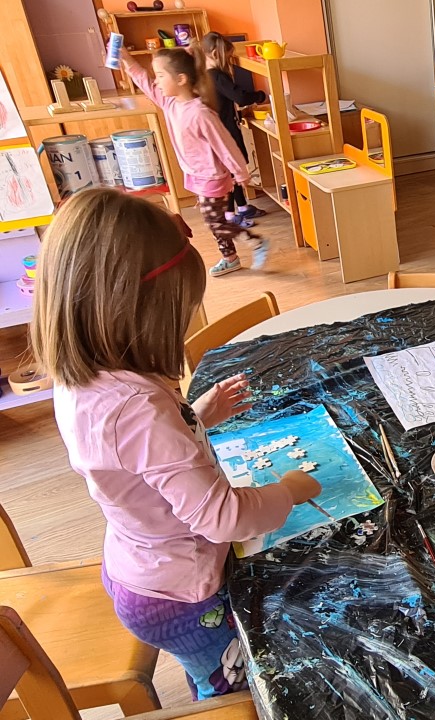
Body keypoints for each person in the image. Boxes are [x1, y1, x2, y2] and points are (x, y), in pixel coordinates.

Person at [30, 188, 321, 700]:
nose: (185, 322)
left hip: (140, 568)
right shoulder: (138, 408)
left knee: (207, 664)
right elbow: (223, 519)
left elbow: (130, 459)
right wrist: (289, 491)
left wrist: (194, 416)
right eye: (181, 312)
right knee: (229, 685)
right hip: (183, 595)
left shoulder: (82, 379)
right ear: (139, 313)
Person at [117, 45, 268, 277]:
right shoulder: (170, 104)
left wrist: (240, 172)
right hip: (197, 175)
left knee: (215, 222)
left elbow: (225, 144)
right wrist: (127, 60)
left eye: (161, 76)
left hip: (212, 177)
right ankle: (231, 258)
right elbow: (145, 82)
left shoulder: (200, 113)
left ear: (181, 79)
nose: (156, 81)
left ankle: (253, 244)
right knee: (215, 220)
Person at [200, 32, 268, 229]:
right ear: (215, 54)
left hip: (220, 128)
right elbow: (241, 97)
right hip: (225, 131)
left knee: (233, 171)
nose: (229, 62)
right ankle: (230, 215)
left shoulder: (203, 75)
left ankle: (243, 207)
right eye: (228, 58)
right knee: (232, 171)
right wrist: (260, 96)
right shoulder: (217, 76)